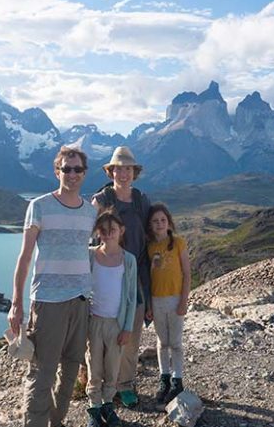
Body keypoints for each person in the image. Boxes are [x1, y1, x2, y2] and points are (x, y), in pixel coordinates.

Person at [8, 146, 97, 427]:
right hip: (48, 301)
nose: (72, 174)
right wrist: (15, 303)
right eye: (66, 168)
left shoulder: (89, 212)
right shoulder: (39, 206)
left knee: (71, 368)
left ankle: (56, 421)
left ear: (84, 173)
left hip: (81, 299)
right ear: (57, 170)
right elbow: (24, 257)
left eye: (77, 169)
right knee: (43, 371)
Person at [91, 146, 151, 408]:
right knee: (103, 332)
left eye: (128, 169)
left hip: (133, 272)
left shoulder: (141, 201)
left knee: (131, 333)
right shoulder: (102, 199)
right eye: (118, 168)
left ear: (134, 173)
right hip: (106, 270)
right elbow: (87, 231)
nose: (123, 173)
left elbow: (147, 243)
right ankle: (102, 385)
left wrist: (148, 293)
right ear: (111, 171)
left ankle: (125, 385)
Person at [85, 209, 137, 427]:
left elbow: (132, 297)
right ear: (98, 233)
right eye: (104, 231)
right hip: (94, 321)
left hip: (116, 323)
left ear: (121, 231)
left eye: (112, 230)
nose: (108, 235)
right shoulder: (90, 255)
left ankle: (108, 404)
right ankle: (94, 408)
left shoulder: (128, 260)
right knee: (94, 366)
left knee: (112, 367)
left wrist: (127, 328)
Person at [146, 203, 191, 404]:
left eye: (162, 220)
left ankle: (178, 380)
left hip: (175, 299)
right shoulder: (149, 247)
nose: (159, 224)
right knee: (162, 342)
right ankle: (164, 378)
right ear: (150, 224)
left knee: (176, 342)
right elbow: (147, 277)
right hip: (156, 299)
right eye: (155, 221)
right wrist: (148, 305)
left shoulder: (179, 243)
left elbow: (187, 273)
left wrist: (184, 300)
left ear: (169, 222)